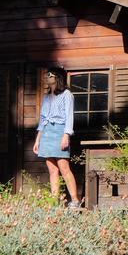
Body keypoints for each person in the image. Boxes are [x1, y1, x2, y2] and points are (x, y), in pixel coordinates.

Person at [33, 68, 80, 207]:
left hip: (60, 131)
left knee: (64, 168)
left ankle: (75, 200)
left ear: (57, 77)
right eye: (46, 75)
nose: (46, 77)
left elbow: (69, 117)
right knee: (52, 170)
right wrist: (37, 140)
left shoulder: (67, 95)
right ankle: (55, 202)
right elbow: (43, 120)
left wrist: (66, 135)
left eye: (49, 75)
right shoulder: (47, 97)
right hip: (47, 133)